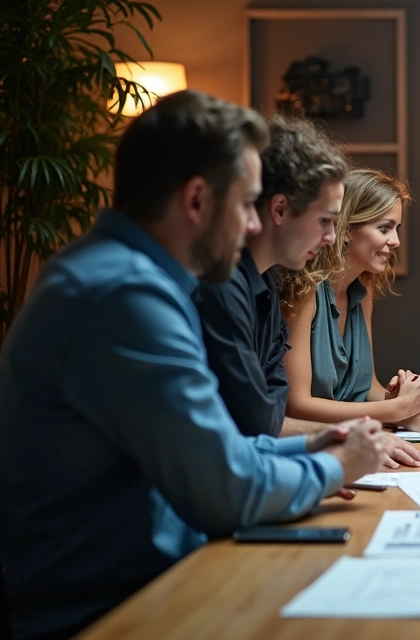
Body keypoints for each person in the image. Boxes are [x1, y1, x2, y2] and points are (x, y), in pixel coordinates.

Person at [0, 90, 386, 640]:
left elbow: (220, 449)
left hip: (151, 584)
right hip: (110, 611)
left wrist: (311, 446)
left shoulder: (119, 274)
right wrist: (338, 467)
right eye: (247, 202)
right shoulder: (124, 294)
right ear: (198, 199)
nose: (253, 224)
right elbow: (224, 488)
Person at [192, 115, 420, 467]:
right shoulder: (279, 287)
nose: (395, 242)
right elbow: (274, 415)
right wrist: (388, 414)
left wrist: (396, 410)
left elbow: (271, 414)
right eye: (385, 228)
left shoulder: (286, 290)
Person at [280, 169, 420, 432]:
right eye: (384, 228)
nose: (396, 241)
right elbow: (297, 405)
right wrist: (395, 412)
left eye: (397, 228)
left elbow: (367, 388)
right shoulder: (305, 291)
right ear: (345, 229)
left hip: (355, 439)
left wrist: (397, 401)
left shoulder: (363, 292)